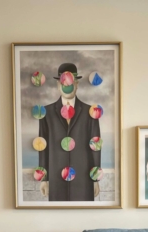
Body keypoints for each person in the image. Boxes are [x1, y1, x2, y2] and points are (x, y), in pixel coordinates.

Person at [38, 63, 101, 201]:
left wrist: (96, 179)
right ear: (58, 85)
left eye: (71, 81)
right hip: (56, 181)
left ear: (77, 84)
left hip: (83, 182)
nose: (67, 84)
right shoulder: (46, 113)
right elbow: (43, 148)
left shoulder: (91, 112)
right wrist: (44, 179)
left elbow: (95, 147)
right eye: (63, 81)